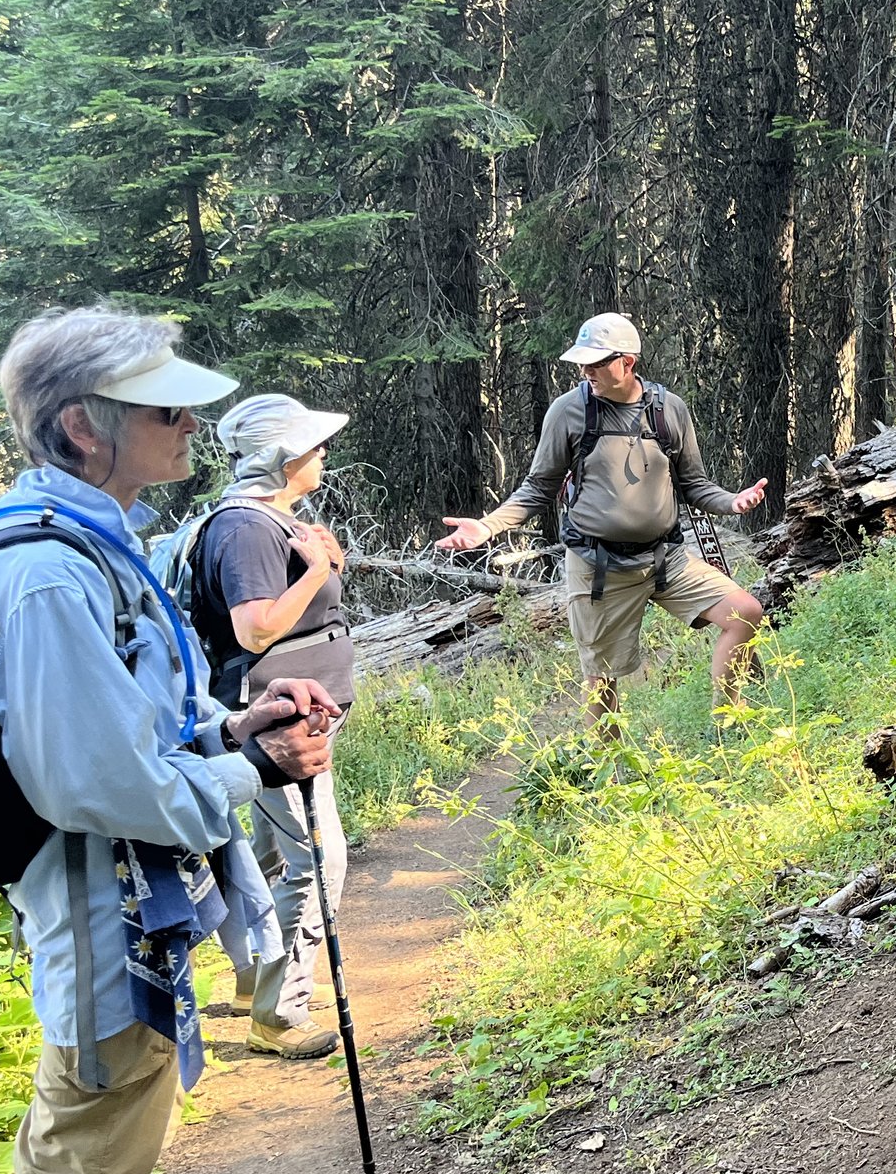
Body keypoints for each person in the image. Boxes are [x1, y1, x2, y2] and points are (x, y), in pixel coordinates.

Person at [0, 305, 334, 1174]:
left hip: (130, 902)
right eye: (160, 405)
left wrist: (234, 724)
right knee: (72, 1159)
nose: (187, 421)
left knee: (104, 1142)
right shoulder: (41, 574)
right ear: (82, 427)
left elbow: (135, 719)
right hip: (95, 908)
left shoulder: (92, 537)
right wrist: (250, 770)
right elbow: (90, 779)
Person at [431, 312, 768, 717]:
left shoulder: (668, 410)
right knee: (600, 677)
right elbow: (539, 487)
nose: (585, 369)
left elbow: (694, 483)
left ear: (628, 362)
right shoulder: (568, 412)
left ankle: (730, 722)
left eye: (596, 361)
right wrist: (487, 526)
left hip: (666, 559)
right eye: (582, 361)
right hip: (598, 567)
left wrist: (732, 501)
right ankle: (608, 772)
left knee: (745, 612)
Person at [178, 391, 357, 1061]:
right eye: (312, 446)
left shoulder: (268, 519)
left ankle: (257, 976)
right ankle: (281, 1013)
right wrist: (315, 572)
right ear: (281, 458)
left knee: (279, 857)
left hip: (299, 713)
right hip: (277, 720)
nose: (323, 453)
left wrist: (323, 565)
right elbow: (254, 627)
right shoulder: (246, 528)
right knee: (318, 859)